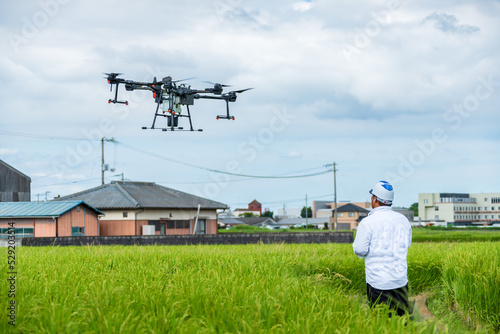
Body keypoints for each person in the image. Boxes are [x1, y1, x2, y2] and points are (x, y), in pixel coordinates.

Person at [353, 180, 412, 317]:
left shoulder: (367, 222)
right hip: (400, 281)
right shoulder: (403, 220)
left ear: (374, 199)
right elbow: (406, 244)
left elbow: (360, 250)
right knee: (402, 322)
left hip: (378, 283)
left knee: (382, 323)